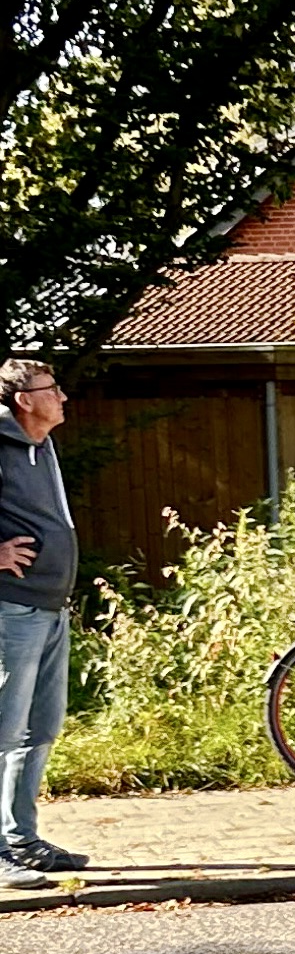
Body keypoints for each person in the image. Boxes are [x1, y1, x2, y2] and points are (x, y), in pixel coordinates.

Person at [0, 358, 89, 890]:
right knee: (3, 730)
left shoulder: (43, 445)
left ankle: (22, 839)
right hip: (11, 607)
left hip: (52, 606)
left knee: (40, 729)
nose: (62, 396)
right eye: (51, 389)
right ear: (24, 399)